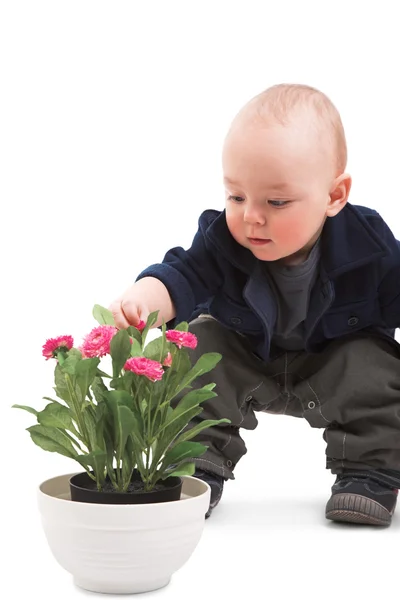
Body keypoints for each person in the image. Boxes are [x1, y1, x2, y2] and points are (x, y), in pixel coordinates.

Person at [109, 83, 400, 526]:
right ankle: (197, 460)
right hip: (247, 358)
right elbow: (183, 273)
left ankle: (368, 470)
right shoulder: (224, 240)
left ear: (335, 196)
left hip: (332, 361)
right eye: (236, 196)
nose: (251, 217)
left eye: (276, 201)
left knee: (375, 366)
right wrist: (145, 298)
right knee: (199, 345)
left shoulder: (368, 244)